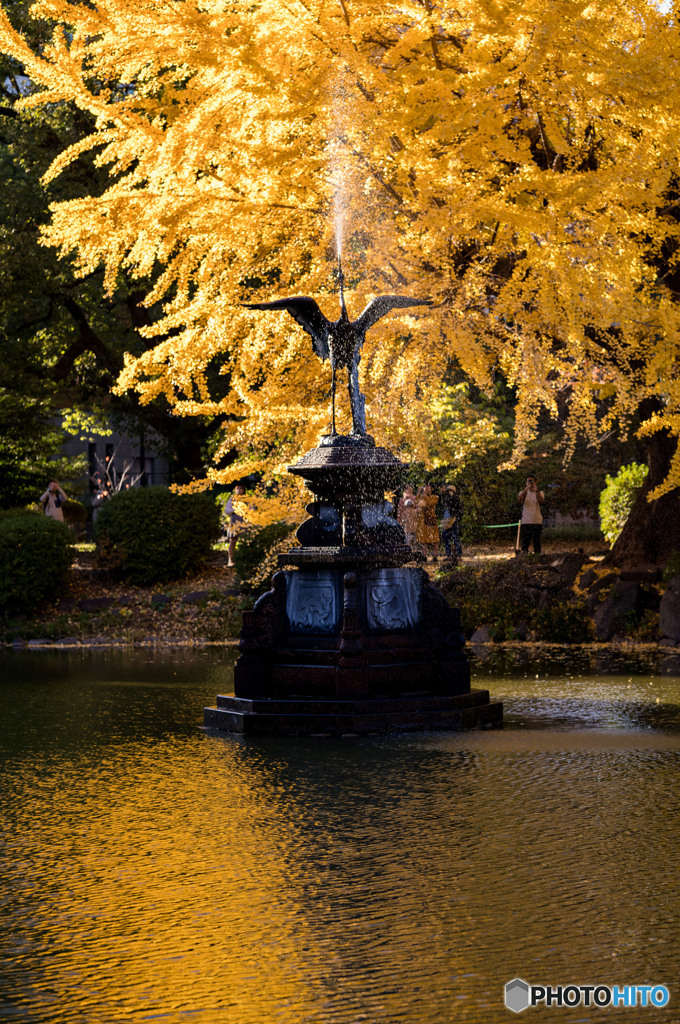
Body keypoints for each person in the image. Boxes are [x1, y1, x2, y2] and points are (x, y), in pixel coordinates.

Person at [518, 475, 545, 553]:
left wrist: (536, 491)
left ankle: (537, 557)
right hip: (526, 521)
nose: (530, 483)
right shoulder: (523, 493)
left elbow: (542, 501)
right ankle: (524, 557)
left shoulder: (540, 492)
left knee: (537, 543)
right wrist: (526, 489)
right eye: (529, 481)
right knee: (525, 544)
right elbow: (519, 500)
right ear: (526, 483)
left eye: (532, 481)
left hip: (537, 521)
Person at [225, 483, 247, 567]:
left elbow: (251, 509)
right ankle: (231, 559)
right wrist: (236, 509)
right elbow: (227, 510)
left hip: (245, 522)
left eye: (241, 488)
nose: (239, 490)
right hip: (234, 521)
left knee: (245, 540)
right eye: (238, 488)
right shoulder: (232, 499)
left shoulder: (247, 499)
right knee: (233, 540)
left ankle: (244, 559)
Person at [416, 482, 440, 561]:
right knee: (424, 540)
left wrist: (423, 495)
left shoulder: (435, 497)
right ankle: (424, 556)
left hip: (431, 520)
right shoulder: (423, 496)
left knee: (435, 540)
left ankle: (435, 556)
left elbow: (427, 504)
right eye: (426, 486)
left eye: (428, 486)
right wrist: (419, 492)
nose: (426, 487)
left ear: (432, 488)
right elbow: (417, 503)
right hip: (423, 520)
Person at [439, 483, 463, 559]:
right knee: (446, 538)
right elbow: (441, 504)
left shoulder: (456, 498)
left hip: (453, 520)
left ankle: (458, 555)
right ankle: (448, 555)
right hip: (446, 520)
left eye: (449, 490)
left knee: (455, 538)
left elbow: (459, 509)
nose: (449, 492)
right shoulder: (445, 498)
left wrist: (456, 517)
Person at [396, 485, 420, 550]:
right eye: (409, 489)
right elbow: (399, 512)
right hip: (413, 526)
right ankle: (415, 552)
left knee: (409, 542)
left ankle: (410, 551)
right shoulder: (402, 500)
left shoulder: (414, 498)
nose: (410, 490)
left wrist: (400, 522)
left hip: (409, 527)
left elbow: (399, 513)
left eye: (411, 488)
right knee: (414, 542)